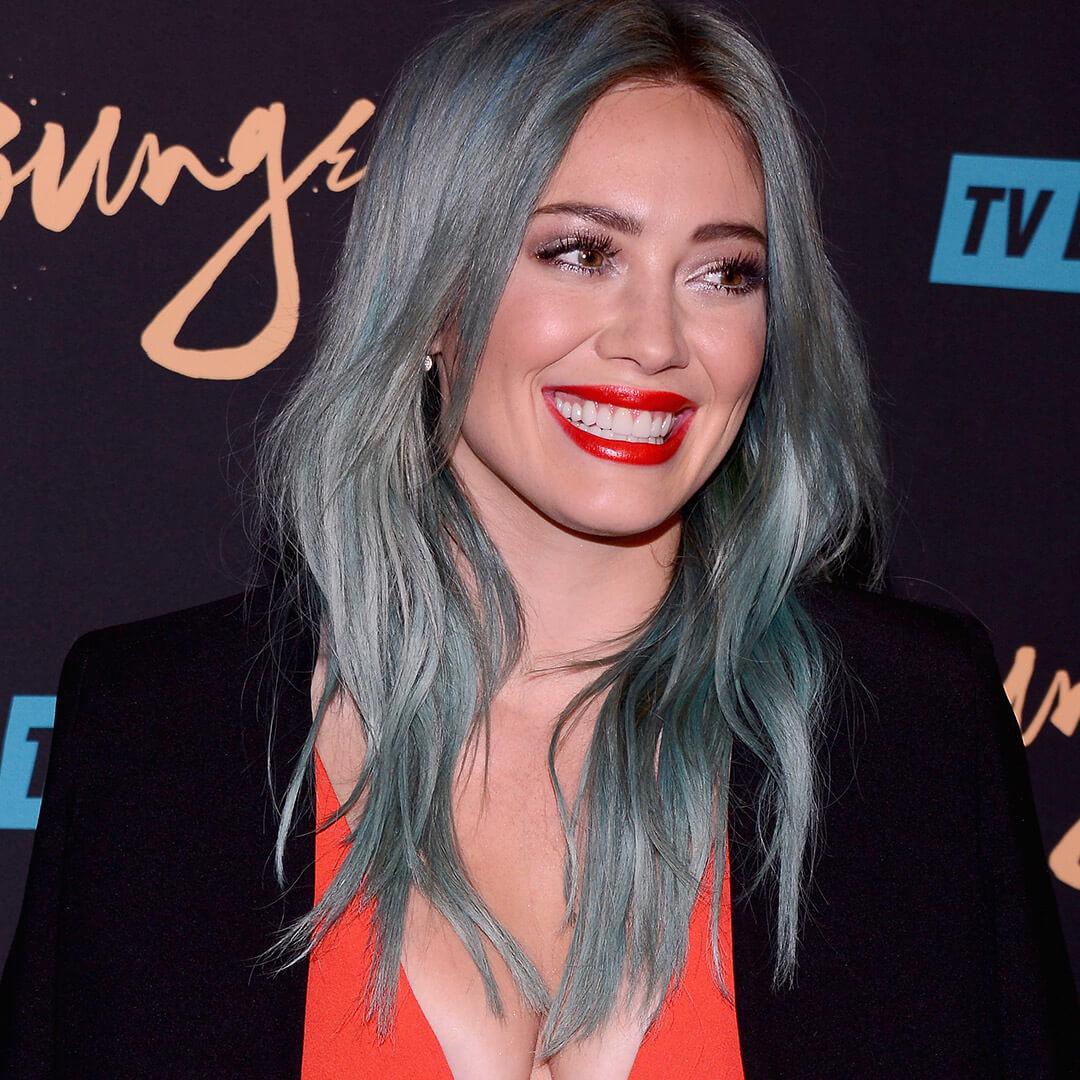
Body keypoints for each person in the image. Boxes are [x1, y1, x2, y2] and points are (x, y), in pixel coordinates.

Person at [2, 0, 1077, 1077]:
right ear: (433, 292)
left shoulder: (911, 733)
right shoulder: (156, 735)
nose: (655, 341)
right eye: (580, 253)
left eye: (724, 273)